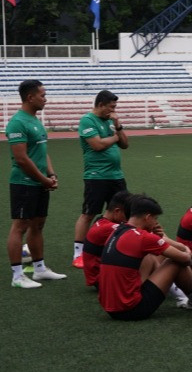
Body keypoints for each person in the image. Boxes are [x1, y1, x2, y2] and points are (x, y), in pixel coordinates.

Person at [98, 194, 192, 320]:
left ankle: (186, 292)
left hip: (111, 308)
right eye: (155, 218)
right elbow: (186, 259)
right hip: (132, 309)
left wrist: (157, 238)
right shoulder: (143, 237)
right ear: (147, 217)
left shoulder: (117, 231)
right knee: (175, 262)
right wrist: (186, 250)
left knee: (150, 256)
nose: (156, 222)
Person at [6, 79, 66, 289]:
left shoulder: (35, 120)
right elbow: (21, 159)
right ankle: (17, 276)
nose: (45, 98)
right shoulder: (17, 122)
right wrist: (43, 180)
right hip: (23, 183)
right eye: (42, 95)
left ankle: (39, 269)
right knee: (20, 226)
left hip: (40, 182)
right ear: (30, 97)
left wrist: (51, 174)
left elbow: (41, 151)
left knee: (38, 224)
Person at [73, 90, 129, 269]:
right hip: (96, 176)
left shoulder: (110, 122)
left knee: (123, 212)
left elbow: (125, 144)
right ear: (101, 104)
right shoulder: (87, 120)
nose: (113, 111)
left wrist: (118, 126)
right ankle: (78, 253)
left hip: (116, 176)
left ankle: (120, 247)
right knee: (88, 213)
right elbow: (97, 145)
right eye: (111, 107)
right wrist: (115, 136)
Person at [82, 190, 131, 288]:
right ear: (117, 211)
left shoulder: (101, 221)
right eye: (128, 215)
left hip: (100, 276)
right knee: (149, 255)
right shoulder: (108, 228)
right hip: (101, 280)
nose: (128, 219)